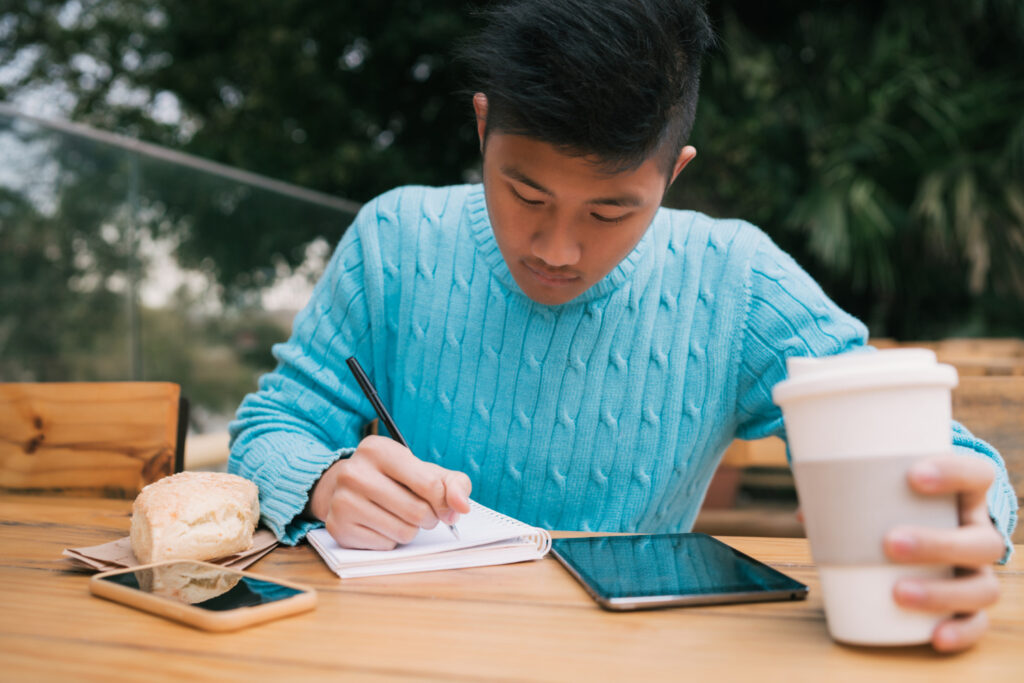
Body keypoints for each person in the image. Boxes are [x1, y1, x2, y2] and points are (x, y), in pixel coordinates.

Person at [229, 0, 1017, 652]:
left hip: (636, 657)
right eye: (525, 193)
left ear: (675, 174)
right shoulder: (394, 241)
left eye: (610, 210)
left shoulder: (736, 280)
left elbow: (950, 456)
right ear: (481, 129)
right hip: (403, 651)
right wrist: (326, 481)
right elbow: (272, 427)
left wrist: (962, 529)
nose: (556, 249)